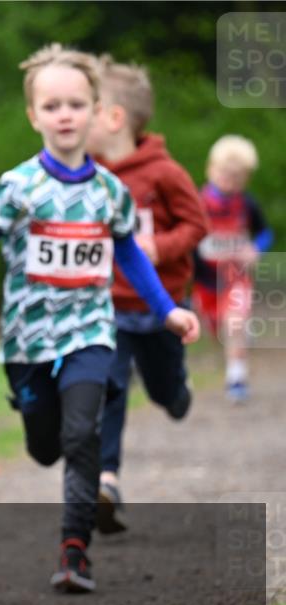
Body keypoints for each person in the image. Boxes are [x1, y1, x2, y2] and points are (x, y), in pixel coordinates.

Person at [0, 44, 200, 593]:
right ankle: (40, 422)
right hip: (27, 340)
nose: (65, 115)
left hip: (90, 330)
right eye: (52, 106)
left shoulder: (109, 191)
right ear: (33, 115)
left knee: (82, 433)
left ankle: (75, 550)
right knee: (46, 446)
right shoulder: (19, 186)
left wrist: (167, 310)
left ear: (95, 112)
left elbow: (130, 254)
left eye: (76, 105)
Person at [85, 55, 209, 534]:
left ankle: (176, 391)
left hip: (162, 308)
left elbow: (196, 225)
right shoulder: (87, 174)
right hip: (108, 306)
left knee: (162, 390)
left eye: (88, 107)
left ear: (113, 117)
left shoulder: (164, 173)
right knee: (109, 389)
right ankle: (107, 481)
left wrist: (161, 247)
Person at [193, 135, 274, 404]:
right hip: (206, 280)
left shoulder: (247, 204)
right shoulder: (197, 203)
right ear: (210, 169)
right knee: (217, 329)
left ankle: (236, 377)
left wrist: (255, 250)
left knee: (235, 322)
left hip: (235, 278)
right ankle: (235, 339)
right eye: (224, 173)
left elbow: (265, 233)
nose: (229, 180)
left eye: (237, 177)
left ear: (245, 179)